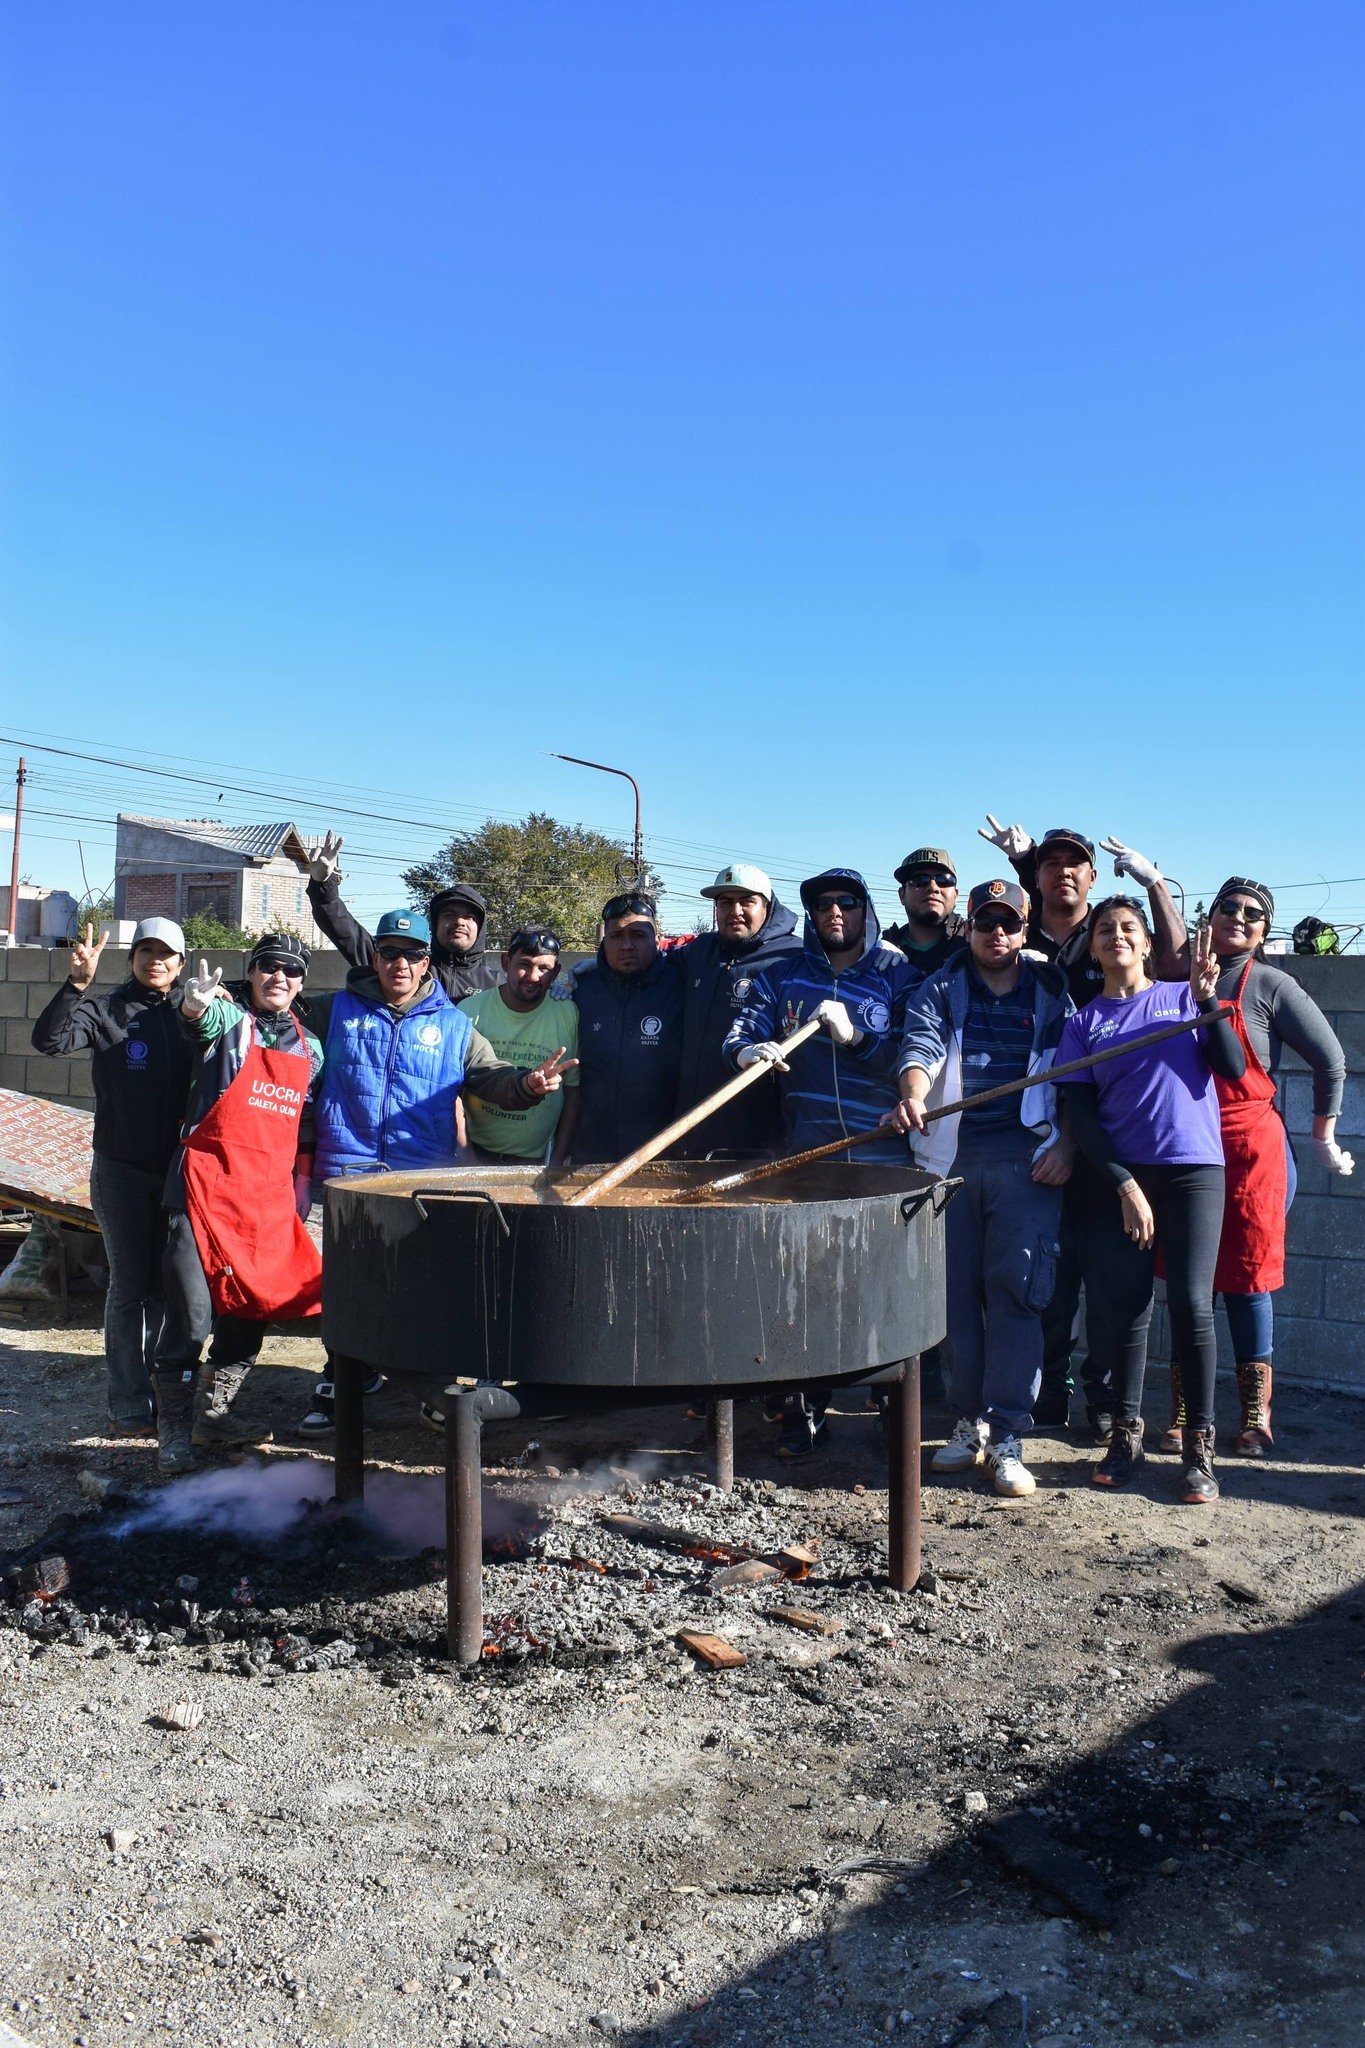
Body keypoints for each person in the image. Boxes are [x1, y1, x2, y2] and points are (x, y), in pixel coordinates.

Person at [297, 910, 575, 1432]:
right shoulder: (332, 1010)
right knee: (347, 1287)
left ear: (427, 962)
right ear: (375, 957)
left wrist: (527, 1085)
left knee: (420, 1289)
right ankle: (341, 1379)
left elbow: (492, 1077)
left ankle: (431, 1389)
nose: (399, 964)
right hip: (346, 1174)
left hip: (419, 1181)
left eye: (412, 954)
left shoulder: (454, 1025)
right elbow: (274, 1029)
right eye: (389, 952)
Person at [977, 819, 1188, 1438]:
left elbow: (1176, 966)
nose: (1062, 873)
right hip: (1030, 1138)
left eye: (1074, 864)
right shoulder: (1018, 935)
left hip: (1102, 1141)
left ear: (1094, 877)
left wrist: (1155, 885)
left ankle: (1102, 1392)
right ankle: (1049, 1390)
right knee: (1047, 1276)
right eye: (1049, 864)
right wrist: (1021, 867)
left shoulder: (1108, 934)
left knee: (1106, 1277)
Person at [1054, 903, 1245, 1504]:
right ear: (1092, 949)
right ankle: (1126, 1436)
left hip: (1193, 1171)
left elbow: (1232, 1067)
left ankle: (1199, 1450)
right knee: (1127, 1305)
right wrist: (1124, 1185)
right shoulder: (1083, 1024)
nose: (1116, 936)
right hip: (1123, 1179)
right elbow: (1083, 1120)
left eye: (1128, 928)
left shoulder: (1183, 998)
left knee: (1191, 1303)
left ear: (1145, 944)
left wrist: (1209, 1002)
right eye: (1104, 930)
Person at [724, 868, 918, 1456]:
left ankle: (890, 1408)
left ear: (866, 910)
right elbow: (741, 1029)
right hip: (808, 1153)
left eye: (847, 902)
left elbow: (914, 1059)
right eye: (823, 904)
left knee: (884, 1285)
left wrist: (856, 1038)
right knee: (806, 1287)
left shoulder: (898, 975)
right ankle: (804, 1413)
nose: (835, 912)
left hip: (882, 1155)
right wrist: (746, 1052)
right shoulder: (784, 976)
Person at [890, 880, 1073, 1500]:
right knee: (956, 1302)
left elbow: (1076, 1081)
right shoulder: (940, 987)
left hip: (1028, 1165)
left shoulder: (1052, 991)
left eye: (1009, 923)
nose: (998, 933)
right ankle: (969, 1423)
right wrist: (914, 1094)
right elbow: (920, 1048)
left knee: (1018, 1294)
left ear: (1024, 929)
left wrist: (1067, 1146)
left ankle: (1010, 1434)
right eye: (986, 921)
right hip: (951, 1163)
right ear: (967, 926)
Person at [1159, 876, 1351, 1458]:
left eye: (1253, 913)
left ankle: (1254, 1413)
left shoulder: (1271, 984)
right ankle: (1188, 1408)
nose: (1238, 917)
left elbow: (1331, 1060)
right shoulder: (1175, 978)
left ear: (1265, 931)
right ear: (1211, 914)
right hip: (1188, 1145)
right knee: (1189, 1284)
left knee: (1247, 1281)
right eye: (1229, 906)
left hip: (1250, 1150)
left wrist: (1323, 1136)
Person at [157, 934, 325, 1475]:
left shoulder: (311, 1048)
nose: (280, 977)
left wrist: (302, 1184)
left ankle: (214, 1415)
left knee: (253, 1308)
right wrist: (193, 1006)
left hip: (264, 1200)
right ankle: (172, 1433)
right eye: (269, 966)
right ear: (251, 973)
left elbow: (304, 1123)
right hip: (202, 1190)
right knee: (192, 1316)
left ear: (301, 983)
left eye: (291, 970)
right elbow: (197, 1023)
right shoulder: (228, 1019)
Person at [31, 917, 193, 1435]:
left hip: (179, 1173)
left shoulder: (194, 1012)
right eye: (146, 951)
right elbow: (49, 1042)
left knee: (167, 1283)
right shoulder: (105, 1010)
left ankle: (165, 1391)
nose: (155, 961)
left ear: (180, 964)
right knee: (129, 1284)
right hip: (121, 1170)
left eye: (166, 954)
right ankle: (128, 1401)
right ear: (131, 959)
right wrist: (76, 985)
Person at [672, 863, 801, 1159]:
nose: (735, 911)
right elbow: (654, 964)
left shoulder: (793, 957)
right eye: (725, 902)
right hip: (690, 1128)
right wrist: (597, 967)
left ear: (767, 906)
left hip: (757, 1137)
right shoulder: (701, 950)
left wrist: (880, 949)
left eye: (747, 901)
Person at [561, 892, 684, 1167]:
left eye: (638, 935)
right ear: (604, 941)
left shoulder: (684, 983)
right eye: (616, 936)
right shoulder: (582, 989)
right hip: (589, 1153)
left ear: (657, 939)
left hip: (661, 1154)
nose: (627, 945)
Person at [304, 832, 501, 997]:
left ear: (481, 927)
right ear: (435, 924)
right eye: (449, 915)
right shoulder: (409, 965)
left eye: (469, 917)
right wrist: (323, 886)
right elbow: (346, 932)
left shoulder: (499, 986)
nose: (459, 922)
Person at [457, 926, 581, 1165]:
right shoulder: (470, 1010)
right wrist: (465, 1155)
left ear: (556, 972)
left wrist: (557, 1161)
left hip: (537, 1162)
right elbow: (452, 1093)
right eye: (524, 964)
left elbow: (573, 1093)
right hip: (474, 1155)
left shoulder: (568, 1014)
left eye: (544, 969)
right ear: (505, 962)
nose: (533, 977)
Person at [883, 848, 968, 976]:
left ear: (956, 895)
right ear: (902, 895)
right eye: (920, 880)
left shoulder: (974, 941)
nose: (933, 887)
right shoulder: (882, 953)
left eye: (944, 880)